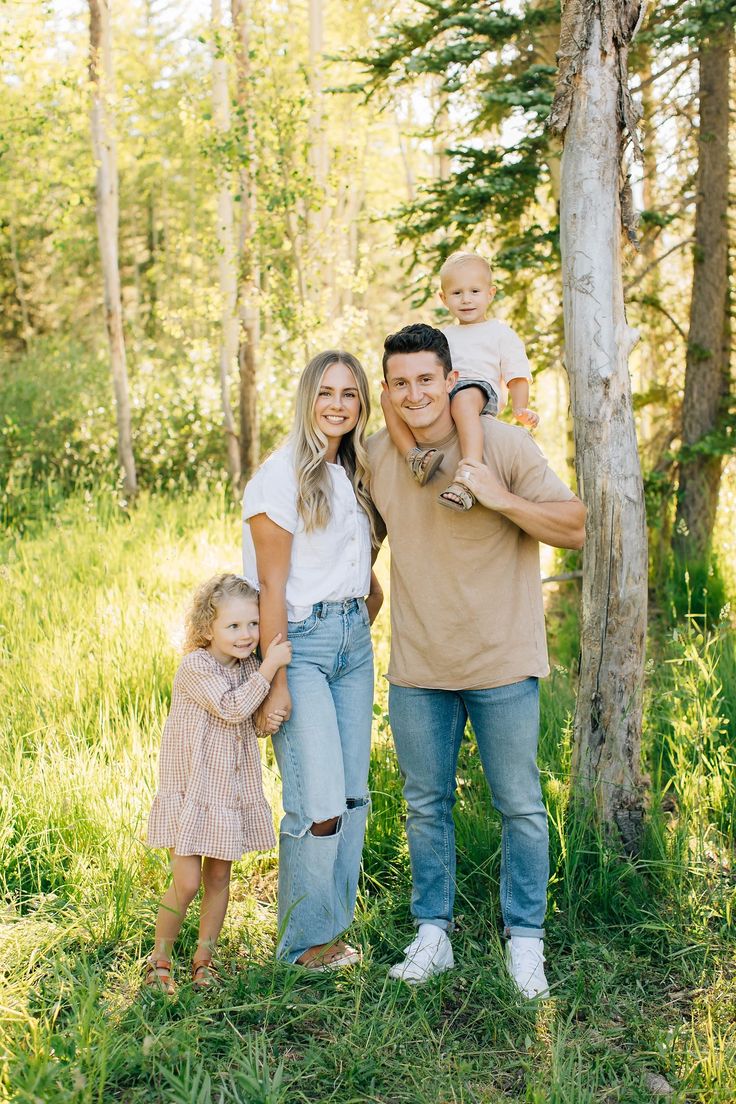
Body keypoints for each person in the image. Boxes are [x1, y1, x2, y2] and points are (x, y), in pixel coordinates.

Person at [368, 323, 585, 996]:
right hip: (418, 667)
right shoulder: (378, 456)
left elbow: (576, 527)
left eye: (426, 380)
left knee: (519, 805)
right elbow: (354, 549)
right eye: (400, 383)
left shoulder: (504, 443)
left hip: (503, 662)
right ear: (387, 390)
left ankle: (526, 941)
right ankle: (433, 934)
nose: (414, 394)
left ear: (450, 379)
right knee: (423, 806)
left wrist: (501, 497)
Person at [242, 350, 383, 970]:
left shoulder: (351, 473)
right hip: (299, 645)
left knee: (352, 797)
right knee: (317, 798)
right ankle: (303, 946)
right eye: (326, 392)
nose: (337, 405)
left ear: (361, 405)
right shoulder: (280, 476)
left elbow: (359, 570)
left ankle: (332, 932)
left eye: (350, 394)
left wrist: (361, 618)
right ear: (307, 398)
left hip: (353, 642)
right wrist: (273, 682)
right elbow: (271, 588)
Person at [145, 573, 292, 994]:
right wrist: (270, 666)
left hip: (225, 796)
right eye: (232, 626)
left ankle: (203, 959)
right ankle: (159, 959)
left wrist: (268, 713)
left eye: (252, 624)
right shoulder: (196, 667)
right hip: (191, 793)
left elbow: (252, 721)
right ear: (207, 629)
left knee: (218, 881)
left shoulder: (247, 666)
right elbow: (231, 709)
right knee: (187, 881)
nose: (246, 635)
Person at [380, 251, 539, 512]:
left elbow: (517, 374)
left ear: (490, 293)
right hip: (447, 391)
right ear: (443, 298)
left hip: (478, 391)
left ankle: (469, 476)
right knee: (388, 396)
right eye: (457, 293)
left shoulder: (499, 332)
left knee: (463, 400)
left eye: (475, 291)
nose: (466, 300)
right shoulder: (442, 335)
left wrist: (520, 408)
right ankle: (414, 457)